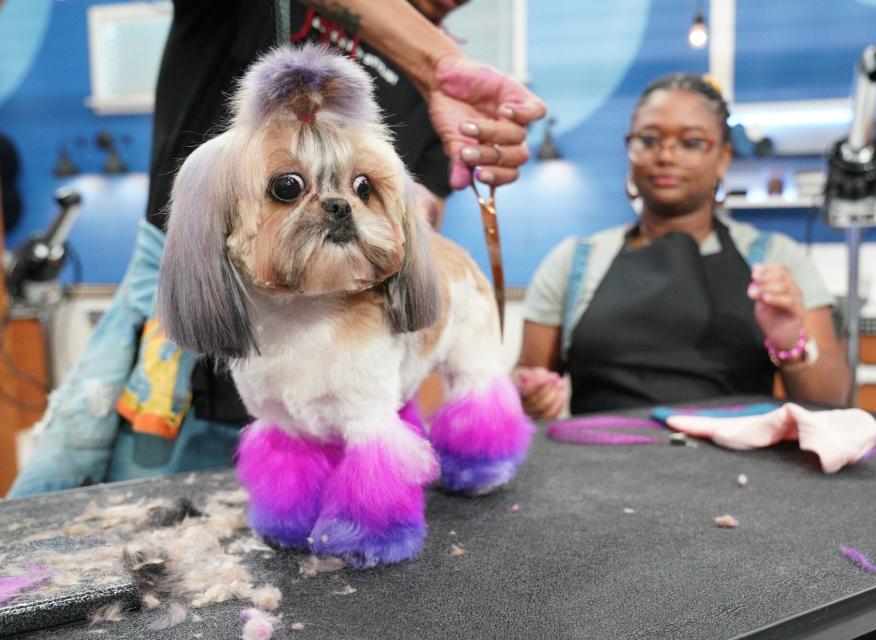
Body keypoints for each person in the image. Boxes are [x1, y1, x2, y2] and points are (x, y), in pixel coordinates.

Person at [9, 0, 545, 497]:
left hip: (350, 318)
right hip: (186, 301)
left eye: (358, 190)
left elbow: (415, 215)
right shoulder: (251, 12)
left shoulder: (440, 92)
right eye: (288, 189)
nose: (333, 205)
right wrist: (439, 63)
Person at [513, 73, 849, 420]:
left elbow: (832, 400)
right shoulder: (574, 262)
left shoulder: (775, 259)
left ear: (722, 158)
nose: (666, 155)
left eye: (690, 142)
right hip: (600, 461)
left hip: (737, 469)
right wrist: (529, 395)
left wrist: (790, 344)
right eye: (648, 139)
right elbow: (524, 382)